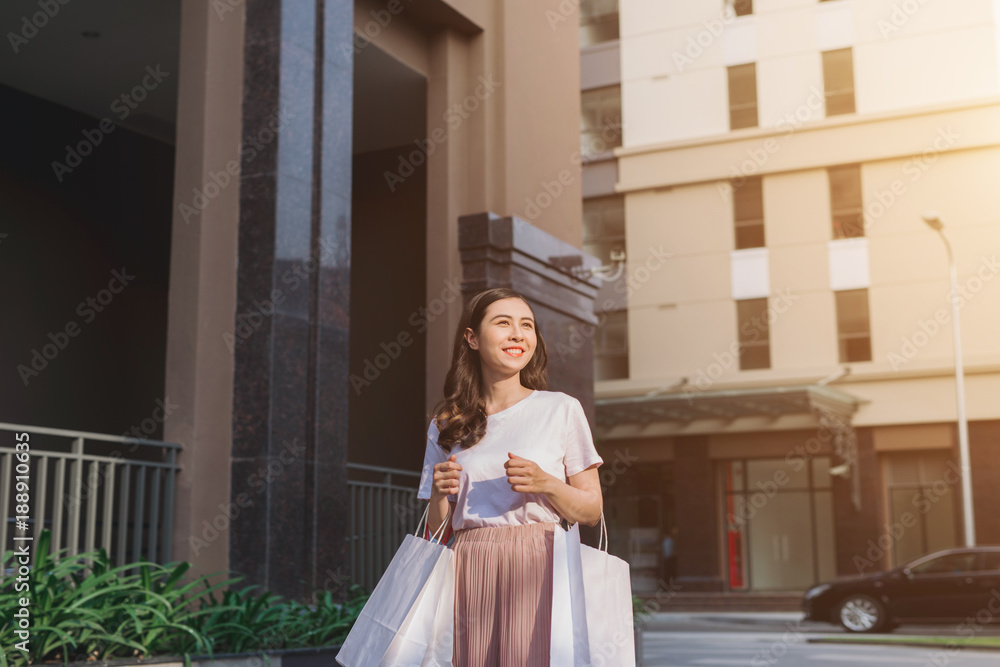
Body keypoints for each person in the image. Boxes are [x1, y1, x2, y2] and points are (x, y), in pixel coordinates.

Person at [416, 286, 604, 667]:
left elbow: (592, 510)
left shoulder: (561, 409)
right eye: (503, 323)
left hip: (541, 559)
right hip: (470, 562)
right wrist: (438, 494)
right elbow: (437, 530)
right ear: (471, 337)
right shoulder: (448, 423)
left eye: (527, 325)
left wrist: (546, 482)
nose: (519, 334)